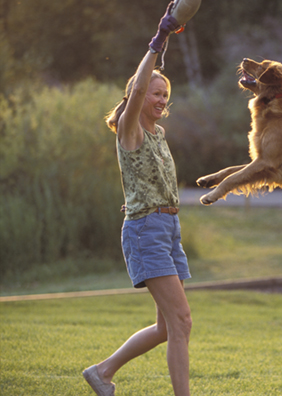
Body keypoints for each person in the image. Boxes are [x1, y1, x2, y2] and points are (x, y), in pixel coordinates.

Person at [83, 3, 192, 395]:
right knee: (181, 321)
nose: (161, 99)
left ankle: (103, 372)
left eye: (166, 95)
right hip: (147, 231)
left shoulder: (159, 134)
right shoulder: (131, 130)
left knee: (169, 326)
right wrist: (159, 41)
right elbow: (141, 84)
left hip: (167, 227)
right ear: (139, 96)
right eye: (155, 93)